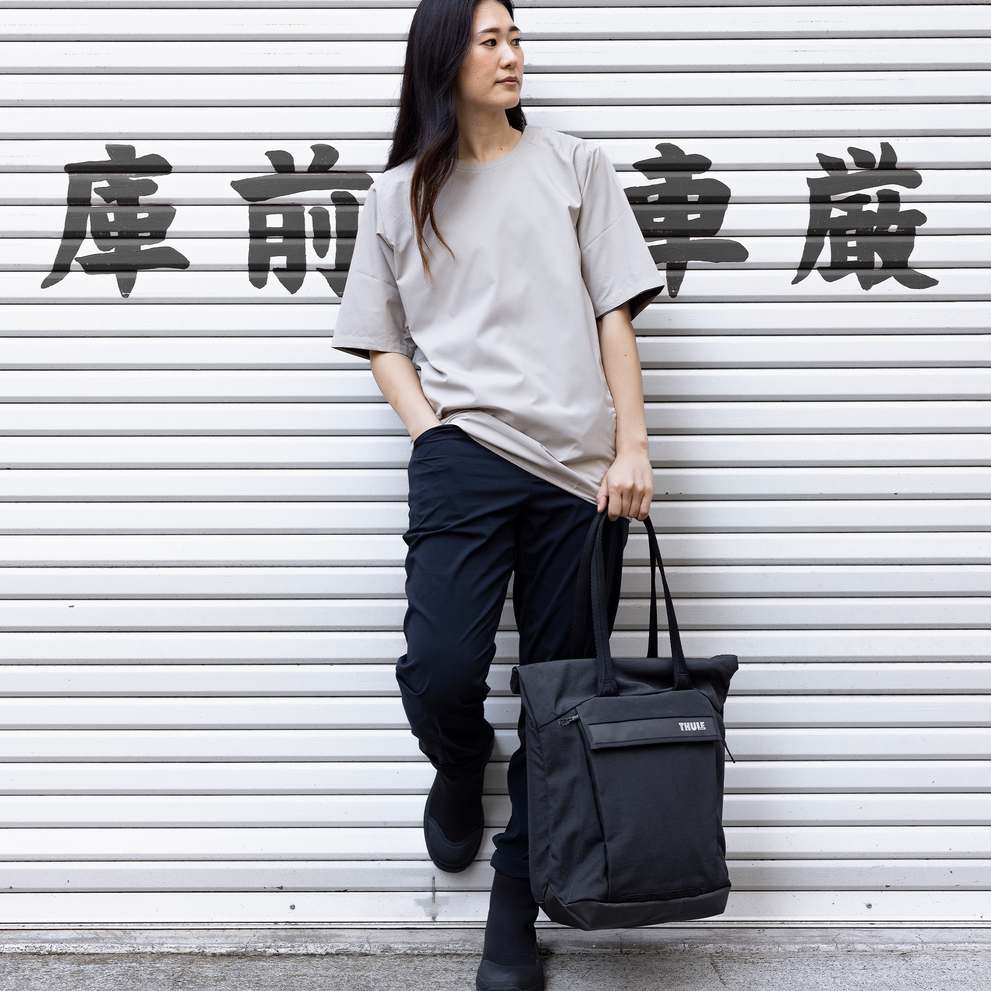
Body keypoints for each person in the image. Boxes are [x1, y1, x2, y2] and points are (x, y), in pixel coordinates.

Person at [332, 1, 663, 987]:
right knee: (440, 665)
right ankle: (456, 753)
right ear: (443, 57)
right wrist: (429, 430)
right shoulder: (395, 196)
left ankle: (513, 902)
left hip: (578, 474)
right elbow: (379, 337)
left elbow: (614, 314)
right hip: (463, 456)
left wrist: (631, 446)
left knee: (558, 700)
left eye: (516, 38)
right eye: (492, 40)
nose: (514, 55)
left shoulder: (574, 166)